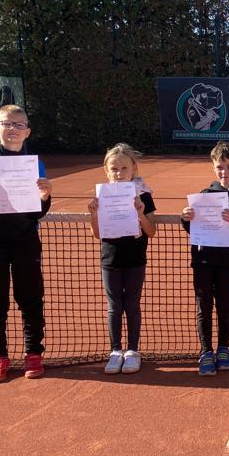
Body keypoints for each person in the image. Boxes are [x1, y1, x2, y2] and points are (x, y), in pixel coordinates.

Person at [0, 104, 52, 382]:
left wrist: (45, 197)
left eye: (19, 125)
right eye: (6, 124)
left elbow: (37, 212)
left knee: (31, 299)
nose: (12, 129)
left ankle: (33, 354)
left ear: (27, 131)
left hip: (26, 241)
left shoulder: (34, 164)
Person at [181, 142, 229, 376]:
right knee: (203, 307)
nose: (224, 172)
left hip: (227, 262)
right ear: (213, 167)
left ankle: (223, 348)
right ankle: (206, 351)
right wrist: (186, 218)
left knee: (224, 305)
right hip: (203, 260)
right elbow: (194, 228)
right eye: (220, 167)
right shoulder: (204, 196)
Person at [87, 143, 157, 375]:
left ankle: (133, 351)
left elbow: (151, 231)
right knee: (114, 306)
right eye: (114, 169)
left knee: (132, 305)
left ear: (133, 168)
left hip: (135, 259)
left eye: (124, 168)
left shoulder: (143, 195)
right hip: (110, 260)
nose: (119, 173)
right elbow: (98, 234)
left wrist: (140, 213)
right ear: (107, 171)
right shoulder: (102, 196)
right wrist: (93, 214)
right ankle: (116, 351)